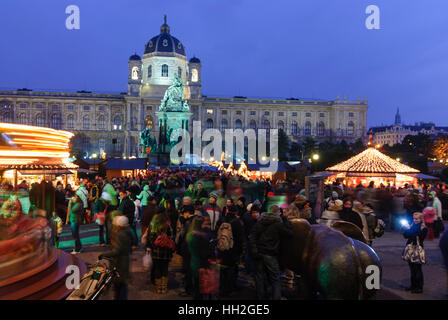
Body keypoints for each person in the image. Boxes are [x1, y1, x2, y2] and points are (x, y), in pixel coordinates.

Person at [249, 208, 293, 300]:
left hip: (259, 254)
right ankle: (276, 297)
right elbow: (290, 233)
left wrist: (255, 251)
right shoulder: (278, 225)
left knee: (259, 278)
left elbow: (252, 237)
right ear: (277, 213)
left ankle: (260, 297)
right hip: (270, 254)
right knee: (275, 279)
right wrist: (285, 219)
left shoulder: (259, 223)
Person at [99, 215, 132, 300]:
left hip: (119, 262)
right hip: (124, 261)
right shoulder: (127, 232)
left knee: (119, 284)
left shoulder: (120, 234)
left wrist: (104, 254)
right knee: (121, 283)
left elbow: (116, 251)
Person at [216, 205, 245, 297]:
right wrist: (240, 251)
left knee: (223, 268)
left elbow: (217, 233)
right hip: (233, 249)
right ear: (236, 212)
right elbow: (240, 238)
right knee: (231, 269)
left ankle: (221, 287)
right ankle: (229, 288)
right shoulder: (237, 222)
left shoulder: (221, 220)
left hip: (222, 248)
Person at [146, 213, 175, 294]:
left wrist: (153, 246)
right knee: (165, 269)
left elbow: (150, 239)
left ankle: (159, 288)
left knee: (157, 268)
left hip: (156, 252)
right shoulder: (168, 226)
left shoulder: (153, 226)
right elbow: (172, 237)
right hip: (166, 252)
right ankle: (164, 287)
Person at [186, 216, 212, 299]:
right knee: (202, 288)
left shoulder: (189, 235)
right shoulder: (201, 237)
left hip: (193, 261)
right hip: (201, 263)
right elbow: (204, 252)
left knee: (196, 285)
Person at [402, 212, 428, 294]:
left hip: (417, 250)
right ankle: (413, 285)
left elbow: (418, 236)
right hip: (410, 249)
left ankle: (419, 287)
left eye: (417, 219)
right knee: (412, 269)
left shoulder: (423, 228)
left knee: (417, 269)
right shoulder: (412, 226)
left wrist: (409, 230)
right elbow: (406, 236)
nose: (415, 220)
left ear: (421, 219)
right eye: (414, 218)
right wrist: (405, 229)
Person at [176, 205, 195, 296]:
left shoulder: (187, 223)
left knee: (188, 270)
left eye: (184, 213)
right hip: (194, 250)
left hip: (187, 249)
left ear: (187, 213)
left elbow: (182, 235)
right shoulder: (197, 221)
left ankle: (189, 290)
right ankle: (192, 288)